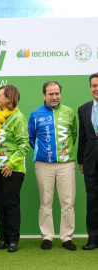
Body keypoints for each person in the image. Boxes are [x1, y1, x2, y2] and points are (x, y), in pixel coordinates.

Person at [28, 81, 77, 251]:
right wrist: (44, 152)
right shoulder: (35, 115)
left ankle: (66, 238)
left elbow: (73, 135)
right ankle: (47, 236)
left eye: (57, 93)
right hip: (43, 164)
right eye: (51, 94)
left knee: (68, 202)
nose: (54, 97)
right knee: (45, 201)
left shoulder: (70, 112)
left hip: (66, 163)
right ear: (44, 95)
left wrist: (62, 153)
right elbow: (31, 138)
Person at [0, 85, 29, 252]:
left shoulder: (18, 118)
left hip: (13, 170)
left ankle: (13, 241)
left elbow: (24, 146)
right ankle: (3, 239)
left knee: (11, 205)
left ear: (8, 99)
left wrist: (10, 164)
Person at [78, 72, 98, 250]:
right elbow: (82, 137)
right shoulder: (83, 109)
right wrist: (81, 161)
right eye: (94, 86)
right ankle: (93, 239)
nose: (96, 89)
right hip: (91, 163)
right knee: (92, 202)